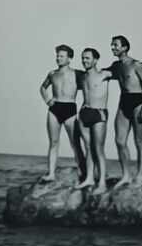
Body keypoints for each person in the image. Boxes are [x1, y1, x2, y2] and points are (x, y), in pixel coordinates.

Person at [107, 35, 142, 187]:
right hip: (123, 101)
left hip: (138, 101)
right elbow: (104, 74)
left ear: (124, 47)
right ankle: (126, 175)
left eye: (116, 45)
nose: (113, 47)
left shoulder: (136, 64)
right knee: (120, 141)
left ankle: (140, 176)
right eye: (112, 45)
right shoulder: (116, 65)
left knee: (139, 141)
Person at [38, 44, 86, 182]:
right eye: (57, 56)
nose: (58, 58)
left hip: (70, 108)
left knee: (75, 143)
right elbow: (42, 87)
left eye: (61, 56)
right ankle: (51, 173)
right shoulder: (52, 74)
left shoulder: (77, 74)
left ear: (69, 58)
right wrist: (48, 100)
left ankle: (83, 172)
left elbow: (90, 84)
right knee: (53, 142)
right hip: (54, 109)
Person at [74, 47, 113, 193]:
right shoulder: (82, 77)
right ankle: (89, 178)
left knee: (98, 149)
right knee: (88, 148)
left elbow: (121, 69)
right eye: (83, 58)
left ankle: (102, 182)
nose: (84, 61)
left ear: (95, 60)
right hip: (84, 113)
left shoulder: (104, 74)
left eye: (87, 58)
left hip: (99, 113)